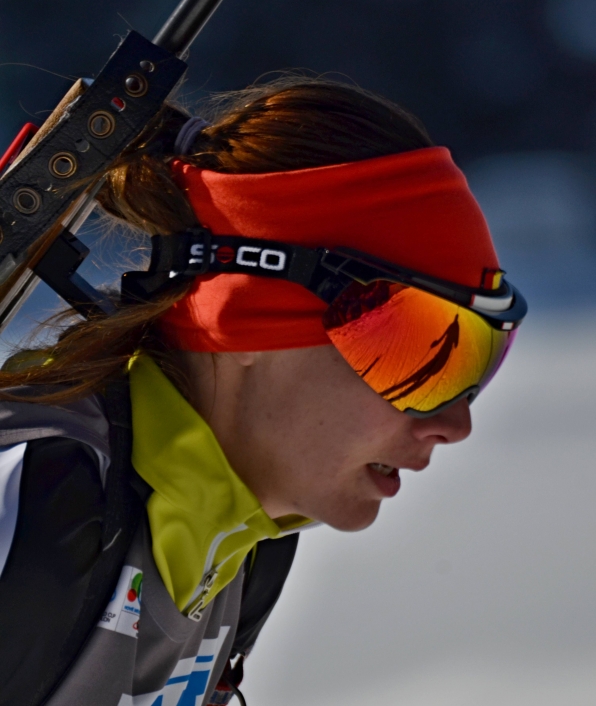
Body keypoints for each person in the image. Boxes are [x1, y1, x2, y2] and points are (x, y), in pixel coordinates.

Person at [0, 77, 525, 706]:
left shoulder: (247, 547)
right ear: (241, 319)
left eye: (479, 360)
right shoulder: (38, 502)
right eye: (418, 352)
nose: (455, 425)